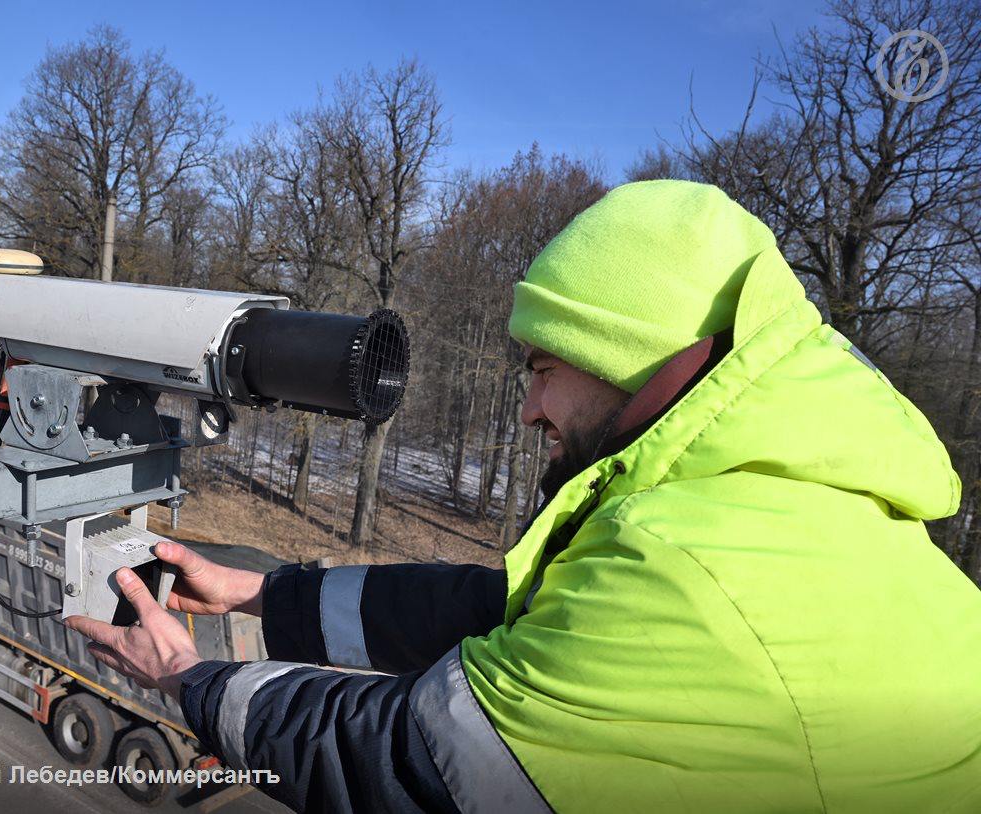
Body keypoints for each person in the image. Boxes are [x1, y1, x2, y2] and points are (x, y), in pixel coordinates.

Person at [65, 180, 981, 813]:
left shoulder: (694, 572)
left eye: (542, 368)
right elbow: (515, 611)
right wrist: (267, 595)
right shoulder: (798, 519)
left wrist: (188, 679)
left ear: (633, 357)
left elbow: (410, 767)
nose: (533, 406)